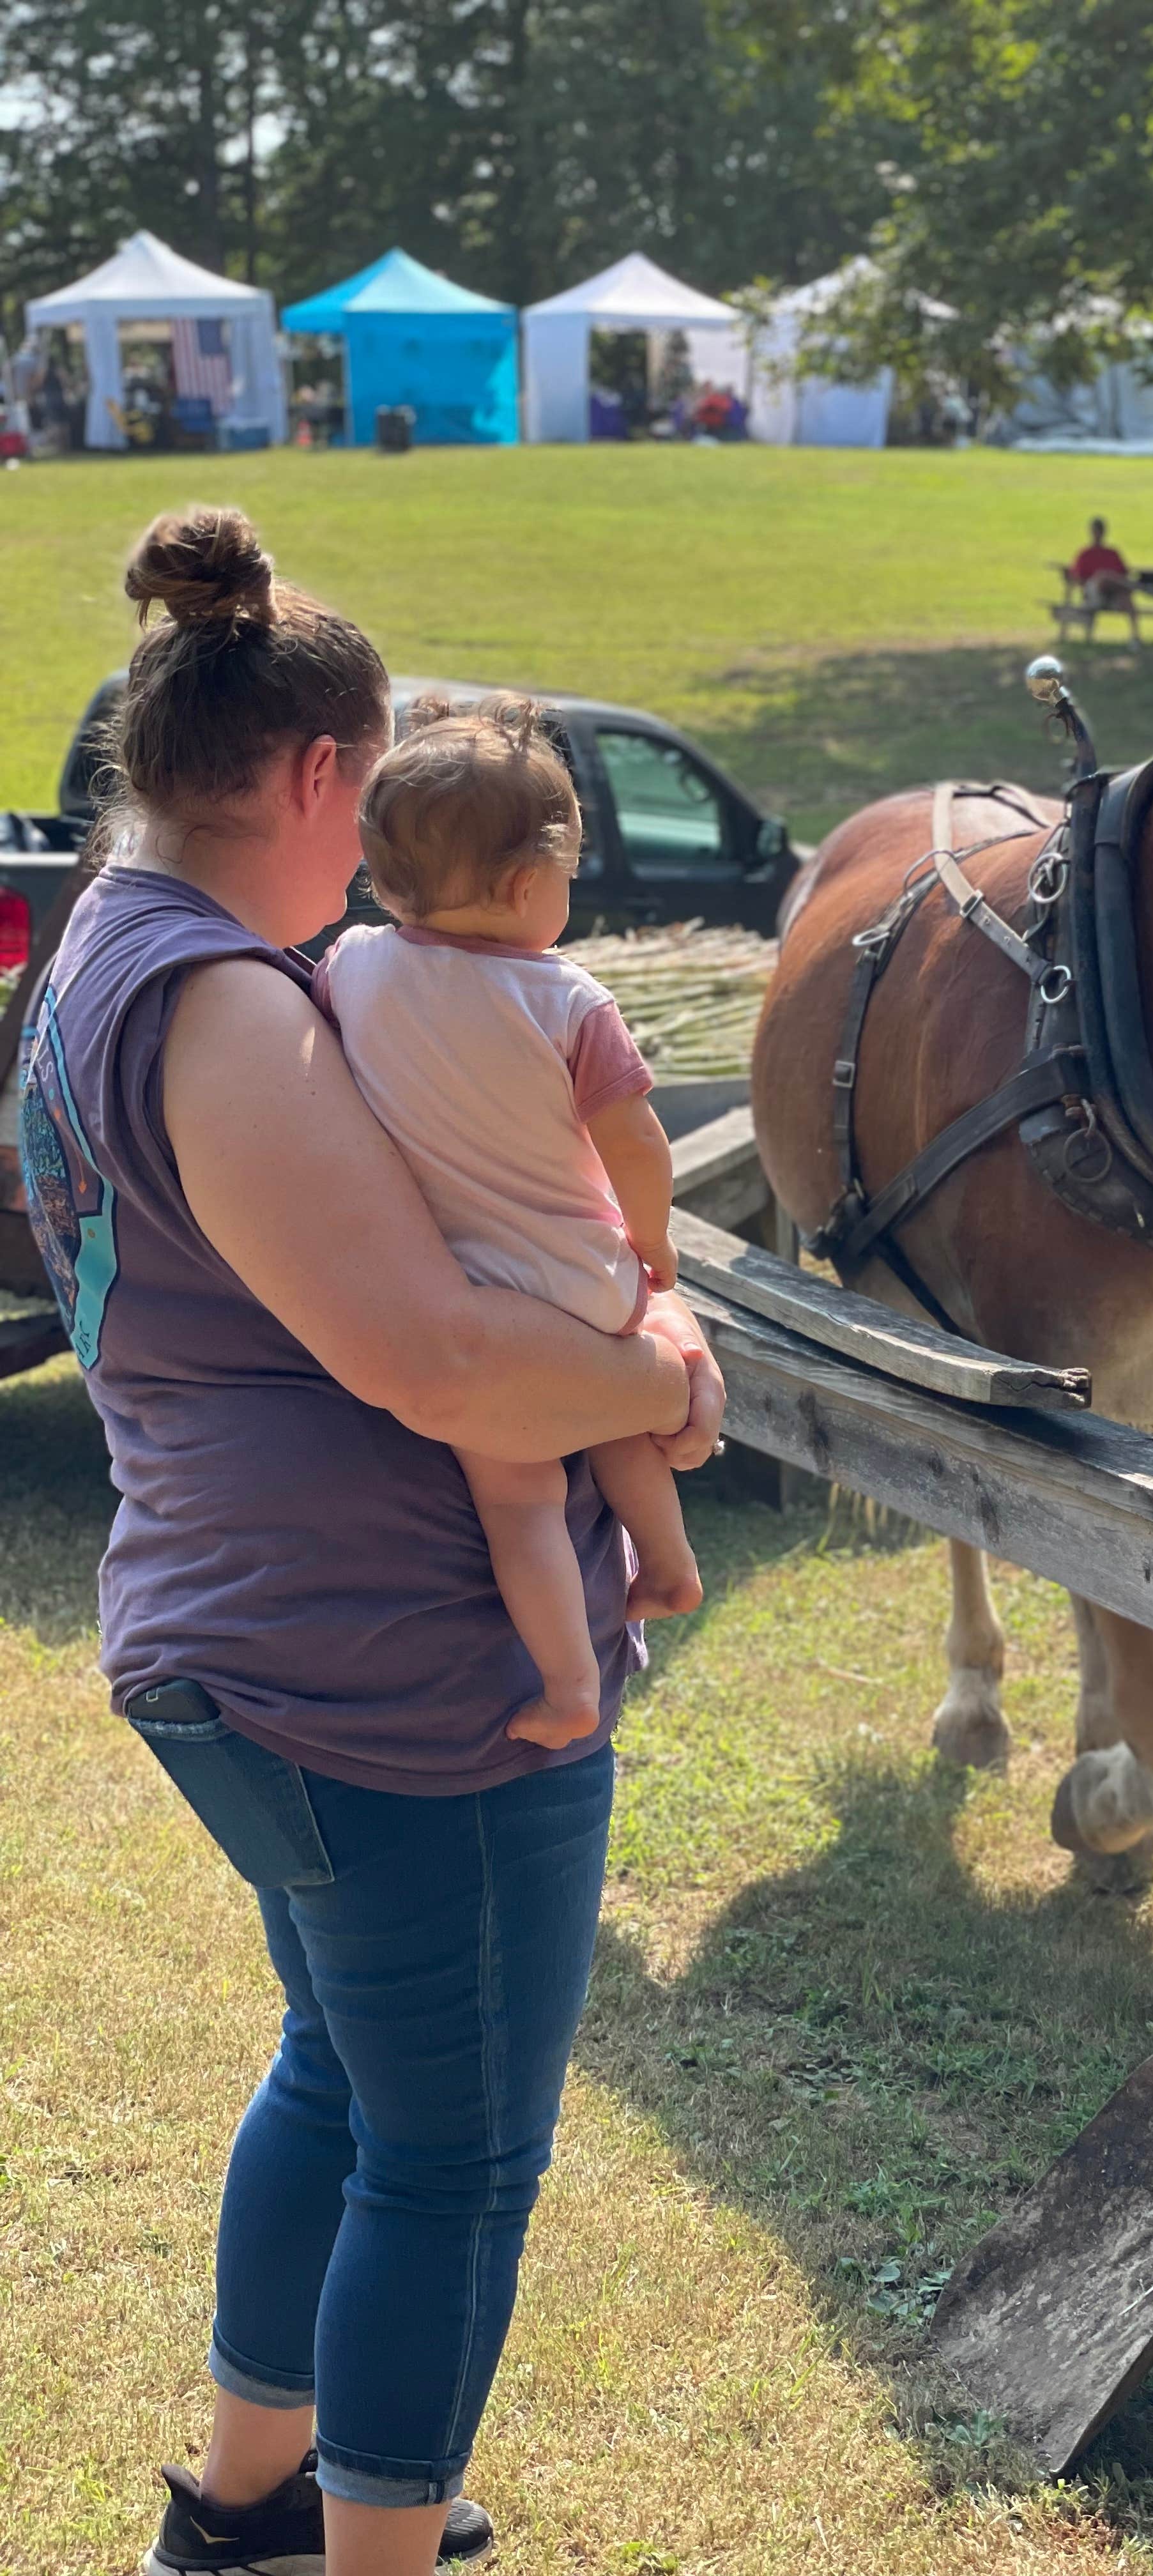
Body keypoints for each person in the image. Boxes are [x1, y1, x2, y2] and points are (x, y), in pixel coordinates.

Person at [17, 504, 723, 2576]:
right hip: (392, 1681)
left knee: (338, 2069)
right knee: (458, 2155)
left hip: (250, 1640)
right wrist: (669, 1378)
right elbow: (442, 1366)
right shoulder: (225, 1006)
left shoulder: (104, 948)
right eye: (370, 810)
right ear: (321, 774)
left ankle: (245, 2511)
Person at [316, 694, 701, 1751]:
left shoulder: (350, 968)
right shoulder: (570, 1001)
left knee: (519, 1501)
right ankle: (665, 1565)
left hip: (467, 1286)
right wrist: (652, 1244)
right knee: (617, 1409)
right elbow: (636, 1145)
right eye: (569, 875)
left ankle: (568, 1687)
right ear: (529, 883)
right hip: (582, 1275)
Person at [1067, 516, 1140, 642]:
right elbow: (1077, 579)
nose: (1098, 534)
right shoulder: (1085, 554)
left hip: (1113, 595)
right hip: (1094, 595)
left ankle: (1135, 638)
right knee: (1103, 576)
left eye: (1100, 531)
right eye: (1096, 531)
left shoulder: (1112, 553)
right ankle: (1138, 587)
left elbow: (1124, 573)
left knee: (1125, 597)